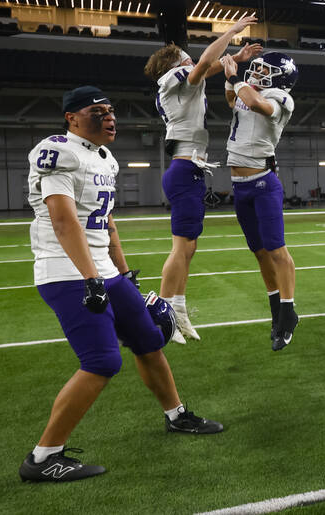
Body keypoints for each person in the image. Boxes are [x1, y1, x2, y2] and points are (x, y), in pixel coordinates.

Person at [19, 86, 223, 483]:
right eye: (98, 111)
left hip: (104, 273)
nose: (109, 117)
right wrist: (92, 279)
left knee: (149, 339)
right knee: (102, 362)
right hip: (67, 272)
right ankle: (43, 457)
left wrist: (123, 272)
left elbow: (106, 222)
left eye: (111, 110)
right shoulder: (57, 150)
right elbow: (64, 221)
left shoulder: (105, 158)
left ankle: (176, 415)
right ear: (72, 117)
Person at [143, 16, 260, 344]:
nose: (191, 60)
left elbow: (206, 68)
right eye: (186, 58)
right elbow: (206, 61)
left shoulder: (180, 82)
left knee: (189, 248)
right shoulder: (173, 78)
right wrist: (232, 32)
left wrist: (235, 59)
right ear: (175, 64)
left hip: (189, 171)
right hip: (182, 172)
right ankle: (164, 311)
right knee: (180, 248)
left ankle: (177, 307)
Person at [221, 51, 300, 351]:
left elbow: (256, 104)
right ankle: (275, 311)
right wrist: (231, 74)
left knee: (276, 250)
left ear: (281, 75)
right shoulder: (250, 90)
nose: (257, 73)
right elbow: (234, 101)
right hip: (240, 186)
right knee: (260, 253)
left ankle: (288, 312)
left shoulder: (281, 97)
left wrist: (233, 77)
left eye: (264, 69)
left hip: (263, 183)